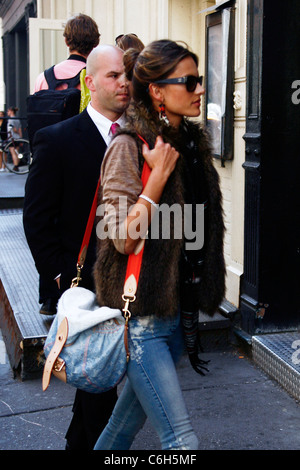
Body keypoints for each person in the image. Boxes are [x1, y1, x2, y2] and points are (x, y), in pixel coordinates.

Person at [93, 39, 226, 450]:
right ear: (157, 91)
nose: (200, 89)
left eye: (200, 80)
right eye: (190, 81)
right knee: (181, 441)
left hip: (176, 315)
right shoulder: (129, 146)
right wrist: (155, 181)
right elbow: (121, 237)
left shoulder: (190, 143)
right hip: (143, 319)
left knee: (119, 431)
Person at [23, 44, 131, 450]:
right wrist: (60, 275)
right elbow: (36, 218)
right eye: (112, 76)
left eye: (127, 75)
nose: (123, 83)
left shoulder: (140, 141)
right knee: (100, 387)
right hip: (84, 286)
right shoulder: (58, 140)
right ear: (90, 82)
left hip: (134, 285)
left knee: (103, 388)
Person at [33, 13, 100, 316]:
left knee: (47, 224)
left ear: (66, 39)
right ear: (95, 40)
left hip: (47, 159)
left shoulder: (45, 76)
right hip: (82, 160)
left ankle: (50, 295)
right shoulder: (95, 74)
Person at [7, 107, 22, 171]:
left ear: (11, 111)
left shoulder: (11, 120)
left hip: (12, 138)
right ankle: (17, 165)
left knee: (13, 153)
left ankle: (16, 166)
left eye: (8, 111)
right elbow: (20, 129)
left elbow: (14, 129)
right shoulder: (17, 119)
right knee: (17, 152)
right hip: (18, 138)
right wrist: (21, 137)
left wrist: (14, 132)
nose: (7, 113)